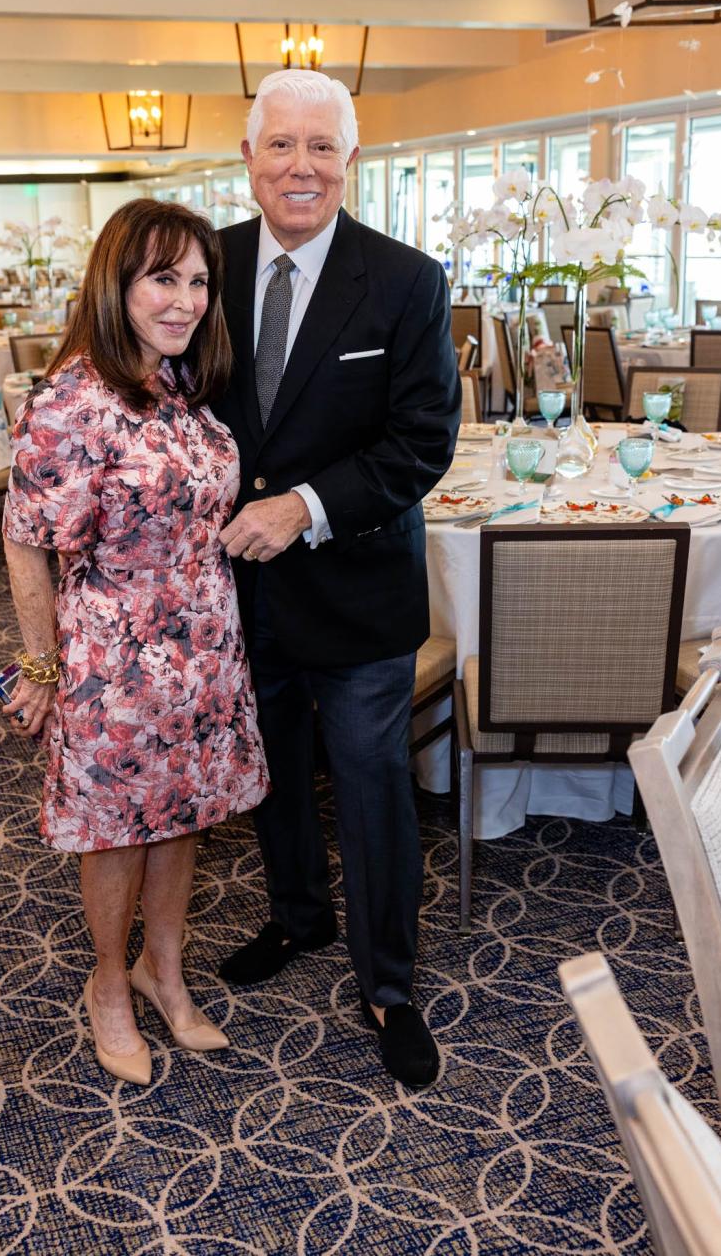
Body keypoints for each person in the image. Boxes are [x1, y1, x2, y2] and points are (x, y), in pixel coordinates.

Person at [214, 69, 460, 1088]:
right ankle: (298, 916)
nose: (301, 165)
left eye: (323, 147)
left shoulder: (406, 280)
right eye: (283, 144)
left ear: (352, 161)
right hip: (238, 591)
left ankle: (390, 985)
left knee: (371, 791)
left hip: (357, 589)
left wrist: (302, 506)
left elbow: (420, 444)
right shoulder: (202, 267)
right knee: (269, 770)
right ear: (250, 158)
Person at [1, 199, 269, 1088]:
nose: (186, 298)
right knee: (116, 829)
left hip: (201, 643)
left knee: (184, 814)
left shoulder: (178, 380)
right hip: (114, 658)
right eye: (164, 277)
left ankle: (164, 966)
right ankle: (109, 984)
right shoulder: (73, 397)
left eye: (198, 280)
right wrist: (40, 666)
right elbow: (25, 532)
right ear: (116, 283)